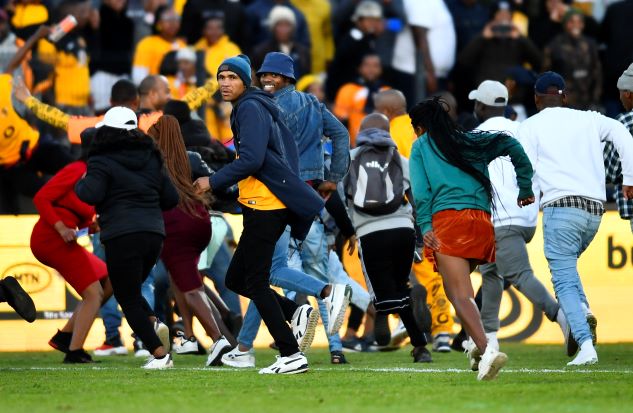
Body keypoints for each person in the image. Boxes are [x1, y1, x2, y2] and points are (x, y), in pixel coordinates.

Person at [194, 54, 325, 374]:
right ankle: (295, 312)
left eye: (232, 77)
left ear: (245, 81)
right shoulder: (253, 106)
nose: (225, 83)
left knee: (255, 280)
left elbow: (251, 159)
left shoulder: (250, 107)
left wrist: (214, 179)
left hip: (265, 206)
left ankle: (290, 353)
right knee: (236, 278)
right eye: (221, 77)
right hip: (263, 204)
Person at [221, 52, 352, 366]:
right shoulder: (314, 105)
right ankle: (250, 345)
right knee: (264, 273)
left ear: (288, 78)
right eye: (264, 74)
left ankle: (318, 302)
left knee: (270, 272)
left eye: (275, 76)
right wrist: (331, 179)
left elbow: (264, 155)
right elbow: (342, 135)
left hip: (278, 192)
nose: (268, 79)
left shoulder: (263, 107)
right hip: (306, 194)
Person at [409, 97, 534, 380]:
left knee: (460, 294)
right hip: (481, 224)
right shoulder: (470, 139)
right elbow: (511, 145)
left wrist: (426, 227)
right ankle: (474, 350)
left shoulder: (421, 146)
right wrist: (524, 186)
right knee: (456, 292)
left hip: (448, 222)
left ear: (419, 126)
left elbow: (422, 193)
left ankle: (487, 349)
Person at [518, 71, 633, 366]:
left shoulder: (529, 127)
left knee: (563, 279)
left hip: (560, 209)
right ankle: (582, 308)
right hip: (594, 212)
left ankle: (585, 344)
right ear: (565, 97)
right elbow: (623, 134)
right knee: (568, 268)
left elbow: (525, 170)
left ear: (536, 99)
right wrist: (629, 178)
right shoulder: (589, 119)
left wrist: (525, 199)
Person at [75, 106, 179, 369]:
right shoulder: (153, 157)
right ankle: (152, 323)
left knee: (127, 296)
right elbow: (170, 198)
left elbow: (90, 194)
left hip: (122, 235)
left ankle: (158, 354)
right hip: (154, 235)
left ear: (108, 132)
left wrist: (82, 180)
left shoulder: (101, 158)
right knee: (130, 289)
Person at [469, 80, 567, 354]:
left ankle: (561, 316)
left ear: (480, 105)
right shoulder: (523, 128)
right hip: (527, 215)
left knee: (518, 273)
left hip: (502, 217)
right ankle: (489, 338)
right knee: (491, 274)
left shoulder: (475, 136)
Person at [345, 113, 433, 363]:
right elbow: (417, 200)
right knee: (400, 285)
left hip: (370, 232)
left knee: (383, 293)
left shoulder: (349, 159)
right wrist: (420, 235)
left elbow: (338, 199)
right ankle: (420, 347)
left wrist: (345, 230)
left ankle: (384, 310)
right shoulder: (401, 160)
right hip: (402, 230)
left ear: (360, 131)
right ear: (388, 132)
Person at [373, 89, 455, 352]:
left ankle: (402, 321)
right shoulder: (424, 130)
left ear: (384, 112)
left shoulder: (391, 133)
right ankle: (443, 331)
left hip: (408, 210)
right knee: (434, 271)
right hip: (438, 206)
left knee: (396, 270)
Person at [148, 115, 234, 365]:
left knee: (191, 288)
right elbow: (223, 187)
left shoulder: (152, 163)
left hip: (175, 226)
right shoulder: (193, 159)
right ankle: (195, 334)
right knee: (185, 280)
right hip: (200, 221)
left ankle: (219, 340)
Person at [31, 130, 113, 363]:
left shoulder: (93, 175)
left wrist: (92, 226)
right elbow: (41, 198)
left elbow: (80, 215)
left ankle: (66, 337)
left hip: (64, 238)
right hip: (50, 238)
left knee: (110, 278)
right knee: (94, 293)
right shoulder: (76, 170)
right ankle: (74, 351)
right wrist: (61, 228)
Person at [542, 8, 602, 110]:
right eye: (571, 22)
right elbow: (545, 74)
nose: (576, 25)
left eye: (579, 22)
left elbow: (597, 73)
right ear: (565, 24)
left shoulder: (590, 44)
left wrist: (596, 99)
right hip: (563, 103)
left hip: (586, 103)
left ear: (583, 24)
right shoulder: (554, 45)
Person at [333, 53, 388, 146]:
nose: (371, 69)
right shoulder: (348, 89)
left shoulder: (388, 92)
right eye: (367, 65)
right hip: (354, 147)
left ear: (381, 69)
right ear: (359, 68)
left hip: (383, 146)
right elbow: (339, 121)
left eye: (375, 66)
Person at [605, 62, 633, 232]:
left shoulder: (624, 123)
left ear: (629, 94)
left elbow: (611, 170)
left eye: (621, 93)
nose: (620, 98)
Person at [132, 6, 185, 84]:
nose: (173, 23)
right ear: (158, 23)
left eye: (176, 19)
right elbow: (138, 79)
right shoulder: (147, 44)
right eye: (168, 19)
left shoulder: (182, 45)